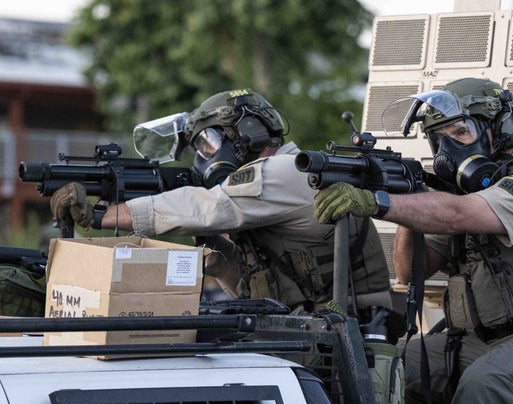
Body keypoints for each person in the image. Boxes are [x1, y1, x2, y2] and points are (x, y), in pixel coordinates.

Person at [313, 78, 513, 404]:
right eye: (439, 138)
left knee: (489, 383)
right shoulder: (465, 196)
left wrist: (379, 201)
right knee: (377, 370)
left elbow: (459, 214)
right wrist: (407, 196)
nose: (448, 148)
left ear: (498, 129)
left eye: (460, 133)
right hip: (480, 343)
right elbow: (409, 269)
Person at [50, 88, 393, 319]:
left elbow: (208, 207)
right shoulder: (266, 198)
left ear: (248, 134)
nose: (203, 158)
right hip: (321, 330)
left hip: (354, 338)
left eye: (208, 143)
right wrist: (221, 259)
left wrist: (101, 214)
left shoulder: (287, 171)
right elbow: (267, 289)